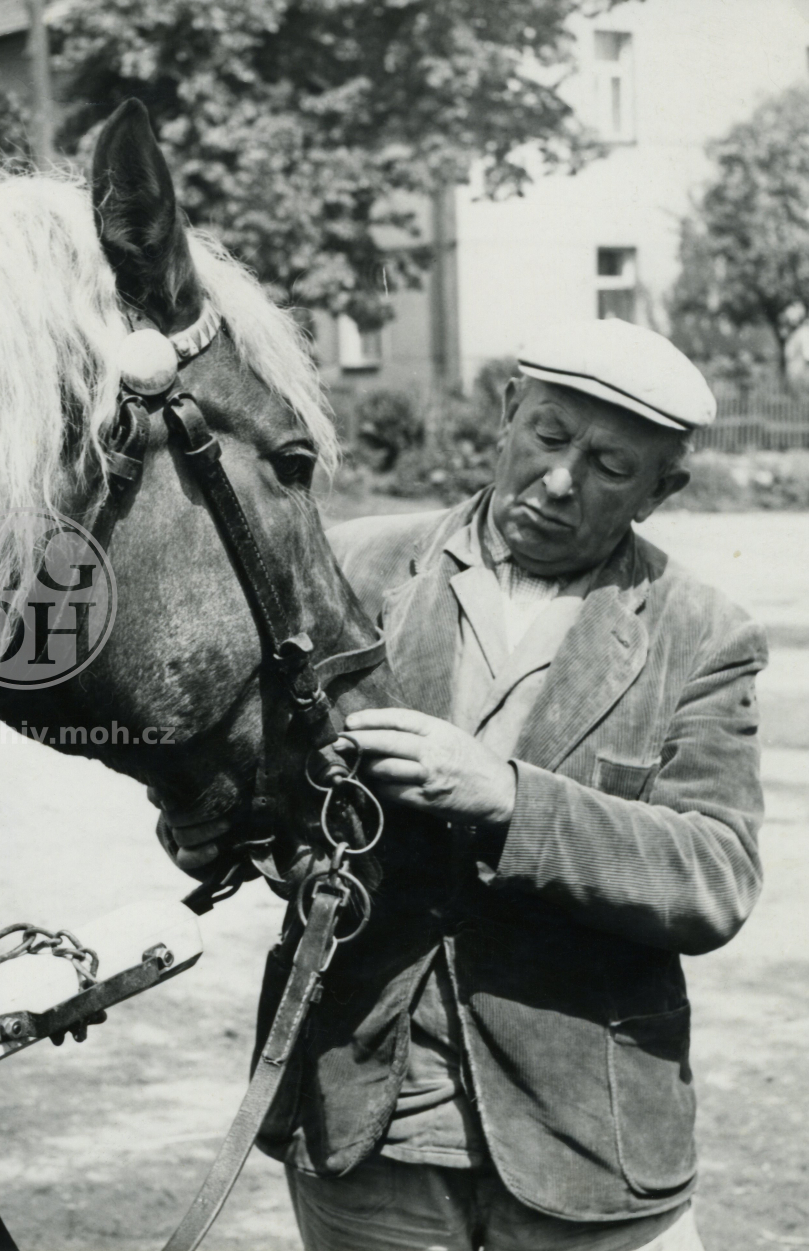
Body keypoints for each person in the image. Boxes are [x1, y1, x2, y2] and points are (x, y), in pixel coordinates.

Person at [220, 319, 762, 1250]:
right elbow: (261, 793)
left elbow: (715, 877)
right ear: (508, 413)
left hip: (589, 1145)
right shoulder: (350, 566)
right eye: (549, 435)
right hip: (367, 1126)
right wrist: (218, 827)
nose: (559, 481)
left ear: (661, 491)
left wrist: (511, 799)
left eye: (610, 466)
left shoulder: (704, 634)